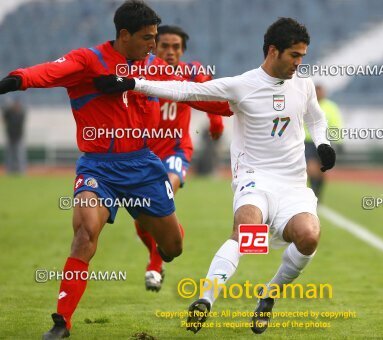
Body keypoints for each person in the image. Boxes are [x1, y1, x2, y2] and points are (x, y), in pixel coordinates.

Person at [95, 17, 336, 335]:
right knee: (248, 233)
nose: (299, 63)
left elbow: (316, 119)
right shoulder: (242, 85)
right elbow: (187, 91)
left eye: (303, 56)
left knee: (309, 236)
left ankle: (269, 295)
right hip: (255, 180)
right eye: (294, 55)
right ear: (273, 51)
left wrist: (323, 144)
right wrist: (133, 84)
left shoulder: (303, 86)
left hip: (293, 185)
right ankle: (206, 300)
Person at [0, 1, 191, 338]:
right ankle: (62, 321)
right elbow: (46, 72)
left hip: (143, 168)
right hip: (98, 168)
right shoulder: (87, 61)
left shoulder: (154, 67)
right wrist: (14, 81)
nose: (154, 45)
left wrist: (237, 105)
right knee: (85, 235)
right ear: (124, 34)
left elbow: (195, 91)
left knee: (173, 247)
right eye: (148, 38)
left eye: (156, 38)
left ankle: (160, 244)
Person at [136, 25, 230, 292]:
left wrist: (216, 123)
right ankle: (163, 249)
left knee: (161, 195)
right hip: (143, 154)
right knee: (141, 219)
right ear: (154, 47)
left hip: (176, 152)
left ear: (183, 51)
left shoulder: (192, 71)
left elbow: (210, 93)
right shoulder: (141, 71)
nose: (170, 52)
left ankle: (154, 267)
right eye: (164, 46)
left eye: (176, 47)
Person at [304, 84, 342, 201]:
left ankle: (318, 191)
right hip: (308, 141)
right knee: (311, 167)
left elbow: (336, 123)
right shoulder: (306, 105)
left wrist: (339, 141)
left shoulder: (331, 107)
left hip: (324, 141)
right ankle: (314, 190)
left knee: (321, 169)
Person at [2, 98, 27, 174]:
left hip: (18, 137)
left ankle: (21, 171)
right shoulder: (10, 113)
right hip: (10, 136)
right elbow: (5, 113)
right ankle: (9, 171)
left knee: (19, 155)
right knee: (9, 155)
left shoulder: (21, 114)